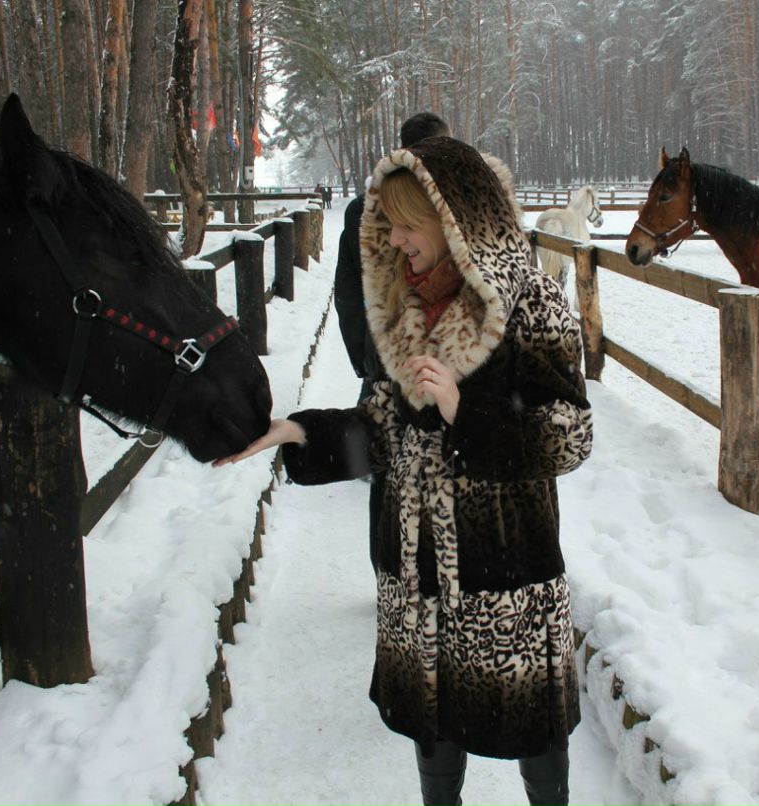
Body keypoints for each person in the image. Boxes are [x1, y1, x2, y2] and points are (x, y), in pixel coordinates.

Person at [217, 137, 593, 806]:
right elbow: (381, 432)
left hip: (506, 571)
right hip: (416, 571)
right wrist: (298, 431)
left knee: (531, 727)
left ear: (452, 221)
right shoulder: (405, 311)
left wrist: (465, 412)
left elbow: (570, 434)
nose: (394, 237)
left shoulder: (528, 302)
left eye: (407, 222)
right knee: (434, 725)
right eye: (387, 222)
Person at [336, 111, 451, 403]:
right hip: (445, 364)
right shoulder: (457, 202)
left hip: (386, 359)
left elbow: (348, 292)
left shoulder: (363, 209)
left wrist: (364, 355)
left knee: (375, 437)